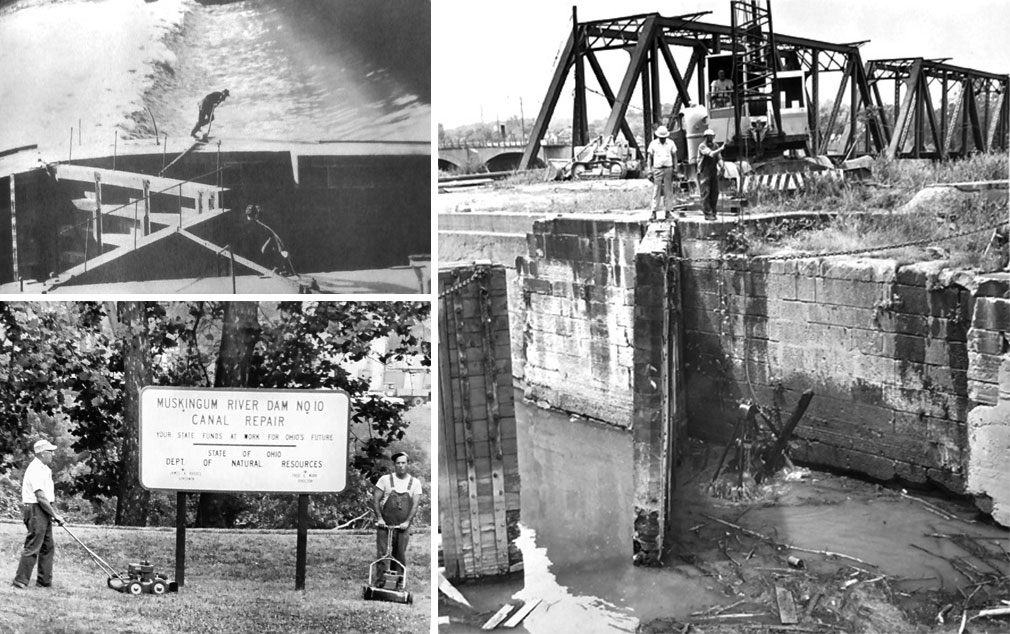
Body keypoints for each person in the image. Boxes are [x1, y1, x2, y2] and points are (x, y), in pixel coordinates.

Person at [12, 439, 65, 589]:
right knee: (33, 545)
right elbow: (40, 496)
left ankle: (44, 581)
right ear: (42, 453)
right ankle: (20, 581)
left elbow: (47, 497)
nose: (53, 454)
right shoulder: (35, 469)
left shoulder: (45, 469)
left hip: (43, 509)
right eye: (50, 452)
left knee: (48, 546)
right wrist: (55, 515)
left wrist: (52, 513)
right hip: (35, 509)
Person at [372, 452, 422, 586]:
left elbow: (415, 505)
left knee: (399, 554)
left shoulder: (415, 483)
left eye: (403, 463)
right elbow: (376, 500)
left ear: (408, 464)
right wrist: (380, 518)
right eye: (398, 463)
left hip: (402, 526)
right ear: (394, 465)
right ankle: (380, 583)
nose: (401, 466)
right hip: (385, 525)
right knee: (383, 554)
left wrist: (407, 522)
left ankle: (397, 583)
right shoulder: (385, 480)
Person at [646, 125, 677, 221]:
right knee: (656, 191)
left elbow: (674, 156)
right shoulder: (653, 144)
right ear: (658, 136)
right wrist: (649, 170)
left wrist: (675, 169)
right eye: (661, 138)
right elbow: (649, 158)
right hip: (657, 169)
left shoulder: (671, 143)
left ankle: (668, 212)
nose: (662, 139)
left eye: (664, 138)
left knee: (668, 191)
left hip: (668, 169)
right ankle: (653, 212)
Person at [697, 129, 725, 221]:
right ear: (706, 137)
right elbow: (711, 154)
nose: (712, 138)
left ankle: (713, 211)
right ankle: (708, 213)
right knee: (706, 193)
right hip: (704, 172)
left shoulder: (715, 145)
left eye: (712, 136)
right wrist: (721, 148)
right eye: (710, 136)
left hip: (713, 171)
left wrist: (722, 166)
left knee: (715, 192)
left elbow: (719, 157)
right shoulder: (702, 146)